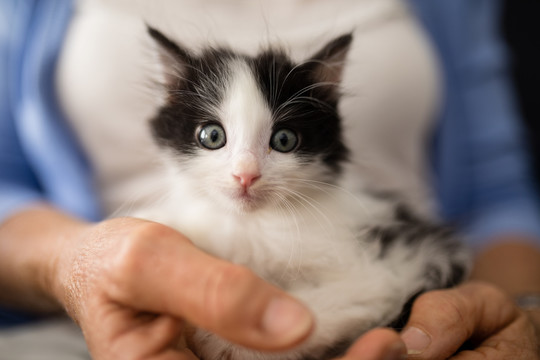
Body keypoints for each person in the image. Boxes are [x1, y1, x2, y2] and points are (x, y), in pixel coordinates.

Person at [1, 1, 539, 360]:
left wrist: (519, 313)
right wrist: (77, 262)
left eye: (283, 141)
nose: (245, 172)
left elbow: (500, 196)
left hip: (425, 307)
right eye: (213, 137)